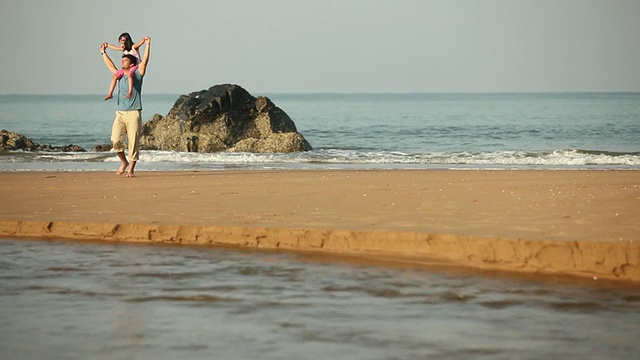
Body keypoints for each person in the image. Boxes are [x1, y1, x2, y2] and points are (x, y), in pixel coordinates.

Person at [100, 36, 151, 178]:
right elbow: (110, 65)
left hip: (134, 112)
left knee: (133, 142)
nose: (122, 61)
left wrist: (147, 45)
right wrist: (104, 52)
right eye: (122, 60)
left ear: (131, 63)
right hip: (120, 113)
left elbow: (145, 61)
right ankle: (124, 162)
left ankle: (131, 168)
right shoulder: (119, 75)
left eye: (124, 60)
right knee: (115, 140)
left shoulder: (137, 76)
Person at [104, 33, 145, 100]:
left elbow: (139, 44)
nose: (122, 45)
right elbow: (116, 48)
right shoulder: (124, 49)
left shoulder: (133, 47)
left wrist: (144, 39)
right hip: (127, 68)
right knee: (115, 75)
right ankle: (110, 93)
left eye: (123, 43)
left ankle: (130, 91)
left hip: (135, 66)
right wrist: (107, 45)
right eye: (121, 44)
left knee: (129, 74)